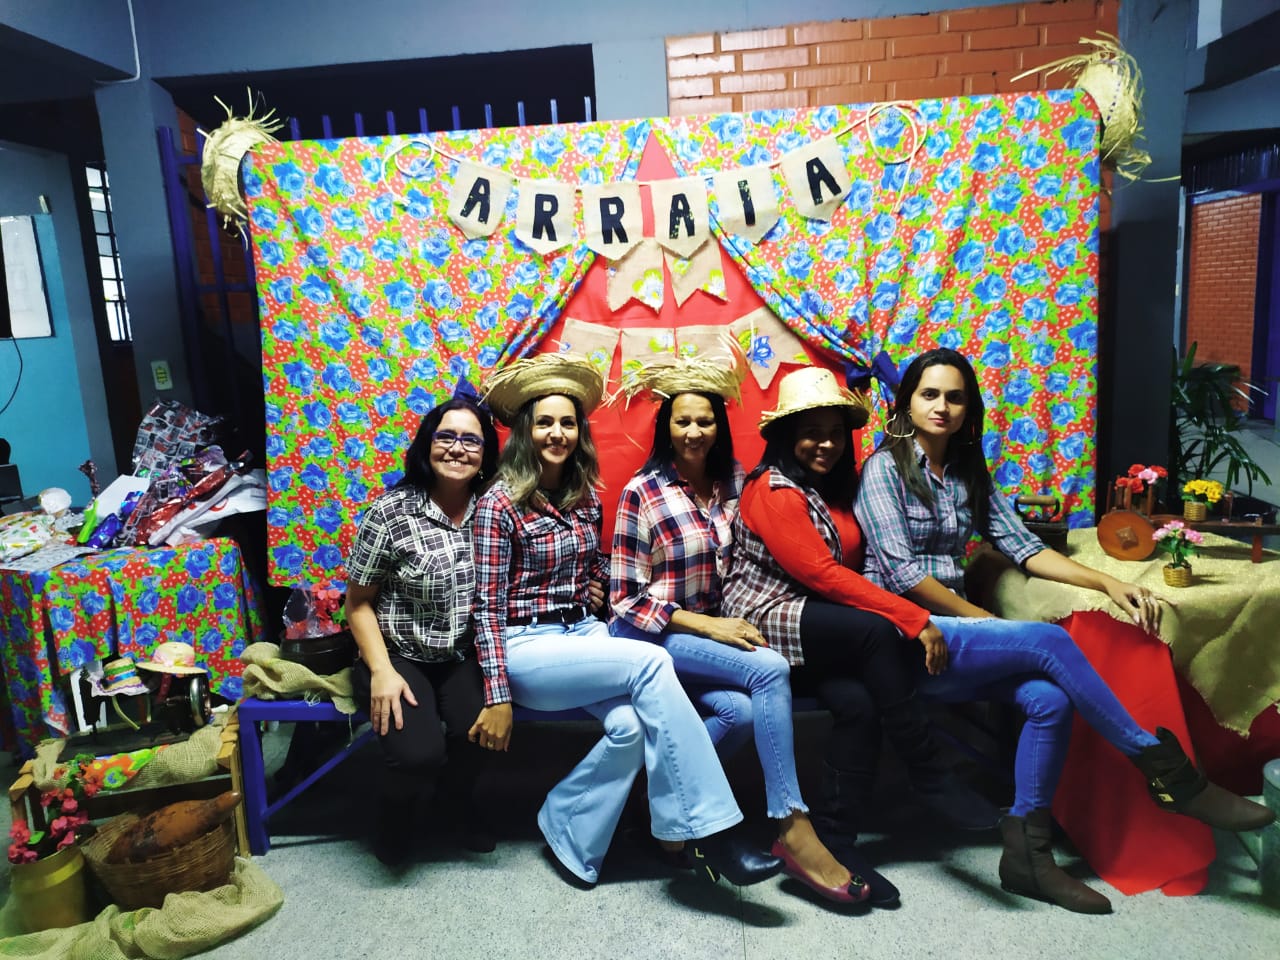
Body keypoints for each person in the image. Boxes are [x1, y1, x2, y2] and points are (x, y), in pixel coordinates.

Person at [831, 348, 1272, 914]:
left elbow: (1026, 548)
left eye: (955, 397)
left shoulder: (966, 471)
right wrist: (985, 622)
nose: (942, 407)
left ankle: (1028, 856)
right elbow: (902, 574)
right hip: (905, 638)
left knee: (1048, 700)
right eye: (930, 394)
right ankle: (1172, 777)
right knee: (1048, 641)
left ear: (969, 409)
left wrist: (1106, 583)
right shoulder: (884, 469)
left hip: (956, 638)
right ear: (907, 403)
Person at [470, 353, 782, 888]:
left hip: (581, 634)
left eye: (568, 423)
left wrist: (594, 581)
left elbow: (595, 568)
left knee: (632, 726)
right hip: (525, 647)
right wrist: (497, 695)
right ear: (525, 431)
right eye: (544, 423)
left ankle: (567, 824)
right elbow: (486, 606)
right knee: (651, 662)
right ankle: (710, 830)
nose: (557, 433)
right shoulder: (498, 504)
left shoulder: (584, 497)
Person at [721, 366, 1003, 904]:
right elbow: (821, 575)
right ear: (786, 436)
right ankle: (928, 770)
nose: (825, 444)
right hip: (766, 616)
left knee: (859, 704)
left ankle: (837, 839)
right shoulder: (772, 489)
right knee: (879, 632)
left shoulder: (833, 489)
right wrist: (914, 617)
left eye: (834, 433)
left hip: (819, 626)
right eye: (811, 433)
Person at [610, 354, 877, 906]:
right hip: (653, 636)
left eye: (705, 420)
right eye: (683, 421)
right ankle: (791, 824)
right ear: (666, 428)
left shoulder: (737, 482)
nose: (694, 431)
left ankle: (652, 798)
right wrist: (708, 625)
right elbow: (625, 600)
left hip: (715, 635)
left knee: (742, 713)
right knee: (769, 669)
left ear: (719, 426)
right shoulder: (643, 491)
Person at [345, 391, 500, 865]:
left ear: (485, 454)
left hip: (460, 655)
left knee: (481, 733)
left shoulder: (493, 511)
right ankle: (395, 812)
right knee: (417, 754)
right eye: (446, 436)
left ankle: (454, 802)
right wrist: (380, 671)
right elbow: (357, 603)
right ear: (426, 445)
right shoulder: (390, 513)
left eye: (471, 440)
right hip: (397, 653)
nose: (457, 448)